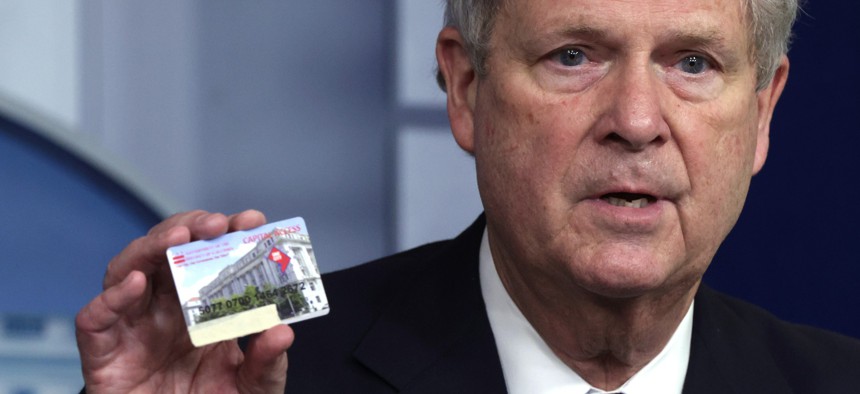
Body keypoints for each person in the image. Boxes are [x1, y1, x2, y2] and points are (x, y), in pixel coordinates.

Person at [75, 0, 860, 392]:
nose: (636, 121)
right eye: (574, 55)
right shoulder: (263, 361)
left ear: (761, 113)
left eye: (692, 64)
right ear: (465, 86)